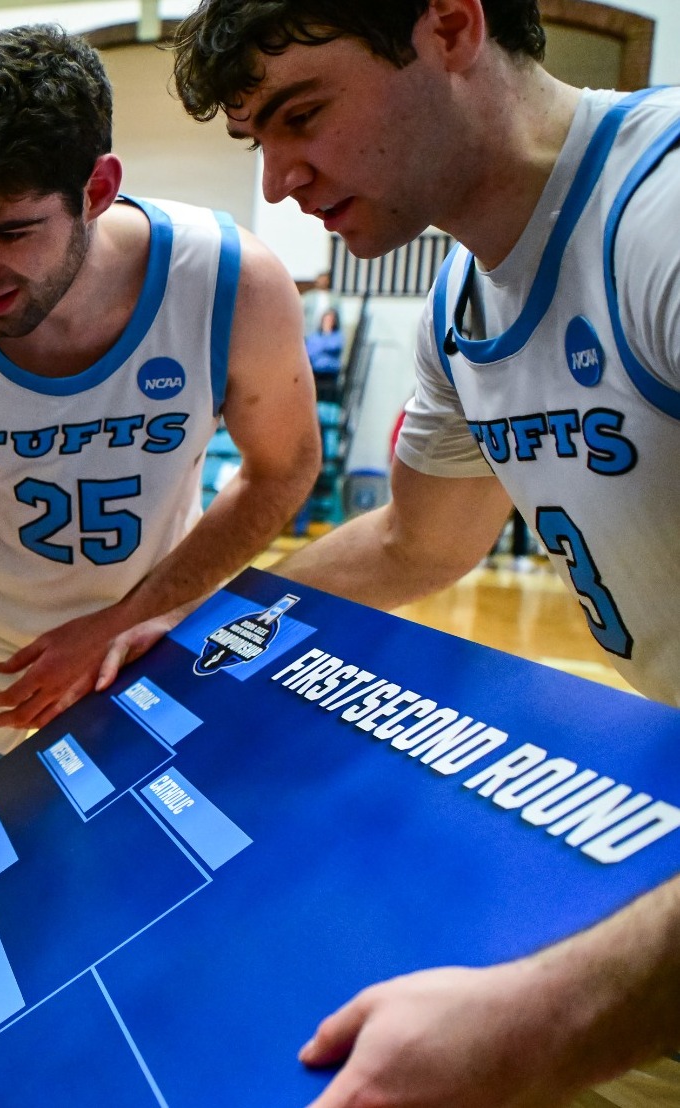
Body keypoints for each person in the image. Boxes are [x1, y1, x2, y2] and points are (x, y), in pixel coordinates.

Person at [173, 0, 680, 1104]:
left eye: (300, 114)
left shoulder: (661, 214)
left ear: (450, 27)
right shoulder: (457, 299)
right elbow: (415, 539)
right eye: (255, 138)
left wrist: (539, 1023)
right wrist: (187, 626)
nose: (277, 182)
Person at [0, 24, 320, 1104]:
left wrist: (121, 622)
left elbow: (281, 471)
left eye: (7, 232)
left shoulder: (228, 281)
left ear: (97, 186)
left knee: (121, 970)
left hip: (137, 665)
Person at [307, 306, 346, 403]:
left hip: (329, 376)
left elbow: (334, 346)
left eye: (330, 320)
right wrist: (324, 346)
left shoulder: (338, 336)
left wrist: (323, 342)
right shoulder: (314, 336)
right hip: (315, 373)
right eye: (326, 319)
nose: (328, 322)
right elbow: (310, 351)